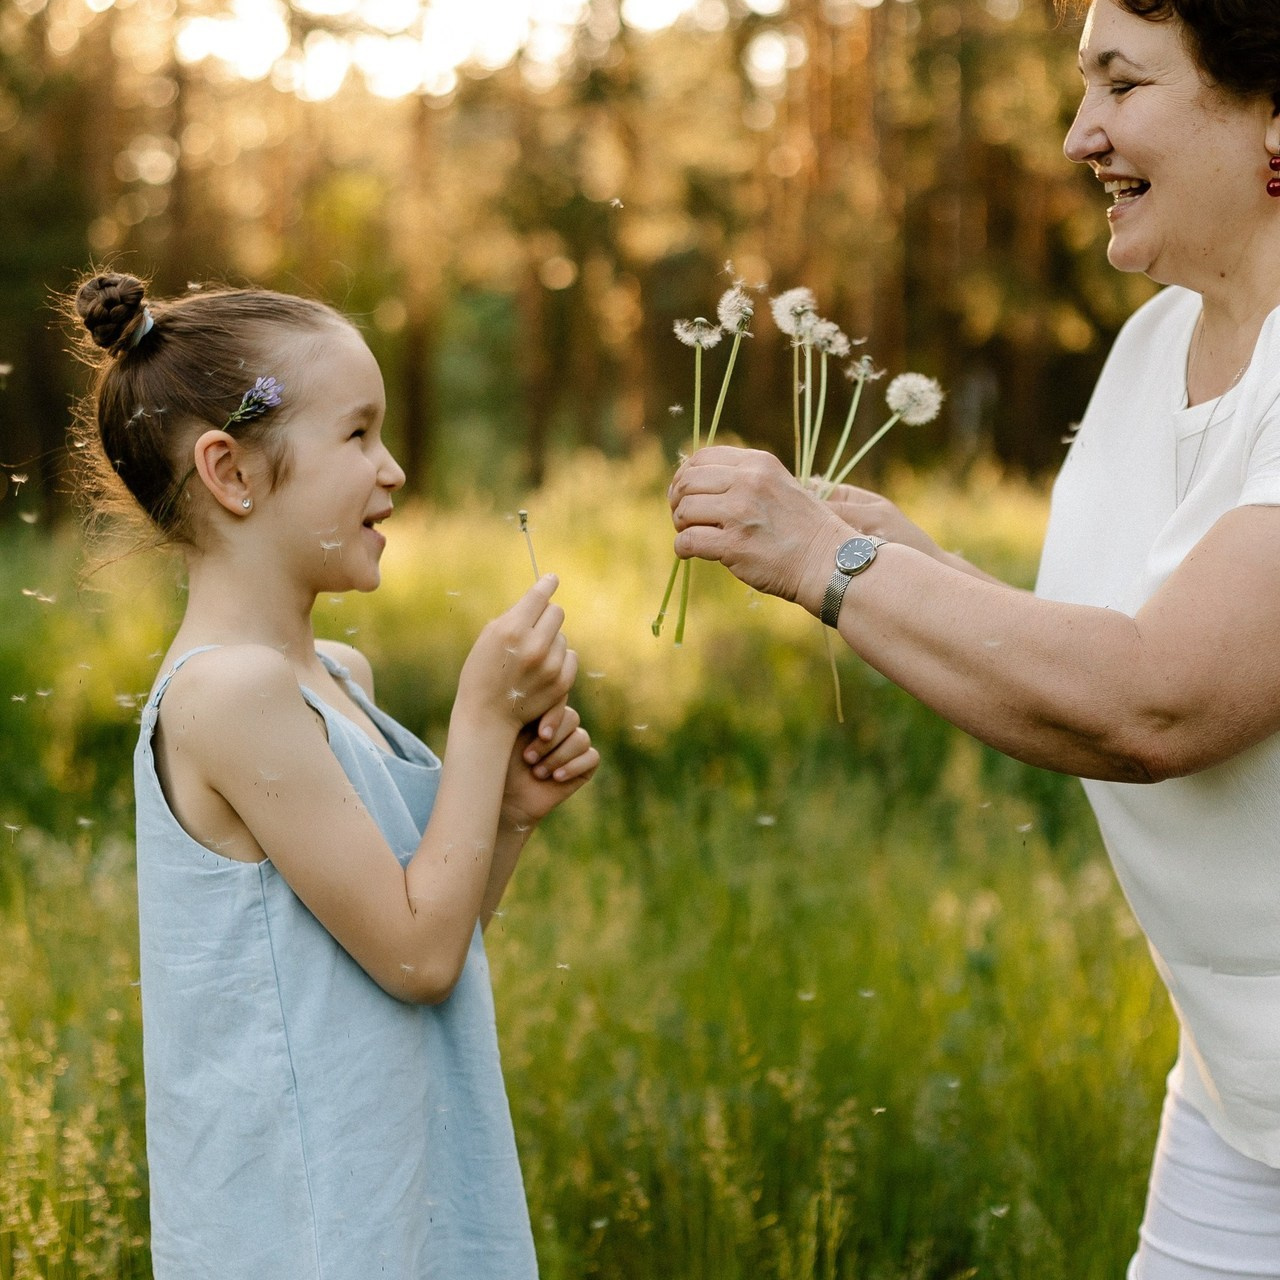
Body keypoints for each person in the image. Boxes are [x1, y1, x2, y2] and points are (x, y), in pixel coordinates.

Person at [668, 1, 1280, 1275]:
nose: (1074, 136)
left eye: (1119, 84)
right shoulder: (1151, 343)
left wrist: (822, 561)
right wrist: (905, 564)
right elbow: (1089, 657)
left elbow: (1157, 705)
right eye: (1077, 90)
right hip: (1237, 1082)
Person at [70, 271, 599, 1278]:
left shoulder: (334, 680)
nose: (392, 469)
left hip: (397, 1183)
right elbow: (415, 957)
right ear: (231, 471)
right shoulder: (228, 695)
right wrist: (481, 719)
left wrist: (510, 811)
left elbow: (424, 932)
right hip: (303, 1226)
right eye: (357, 435)